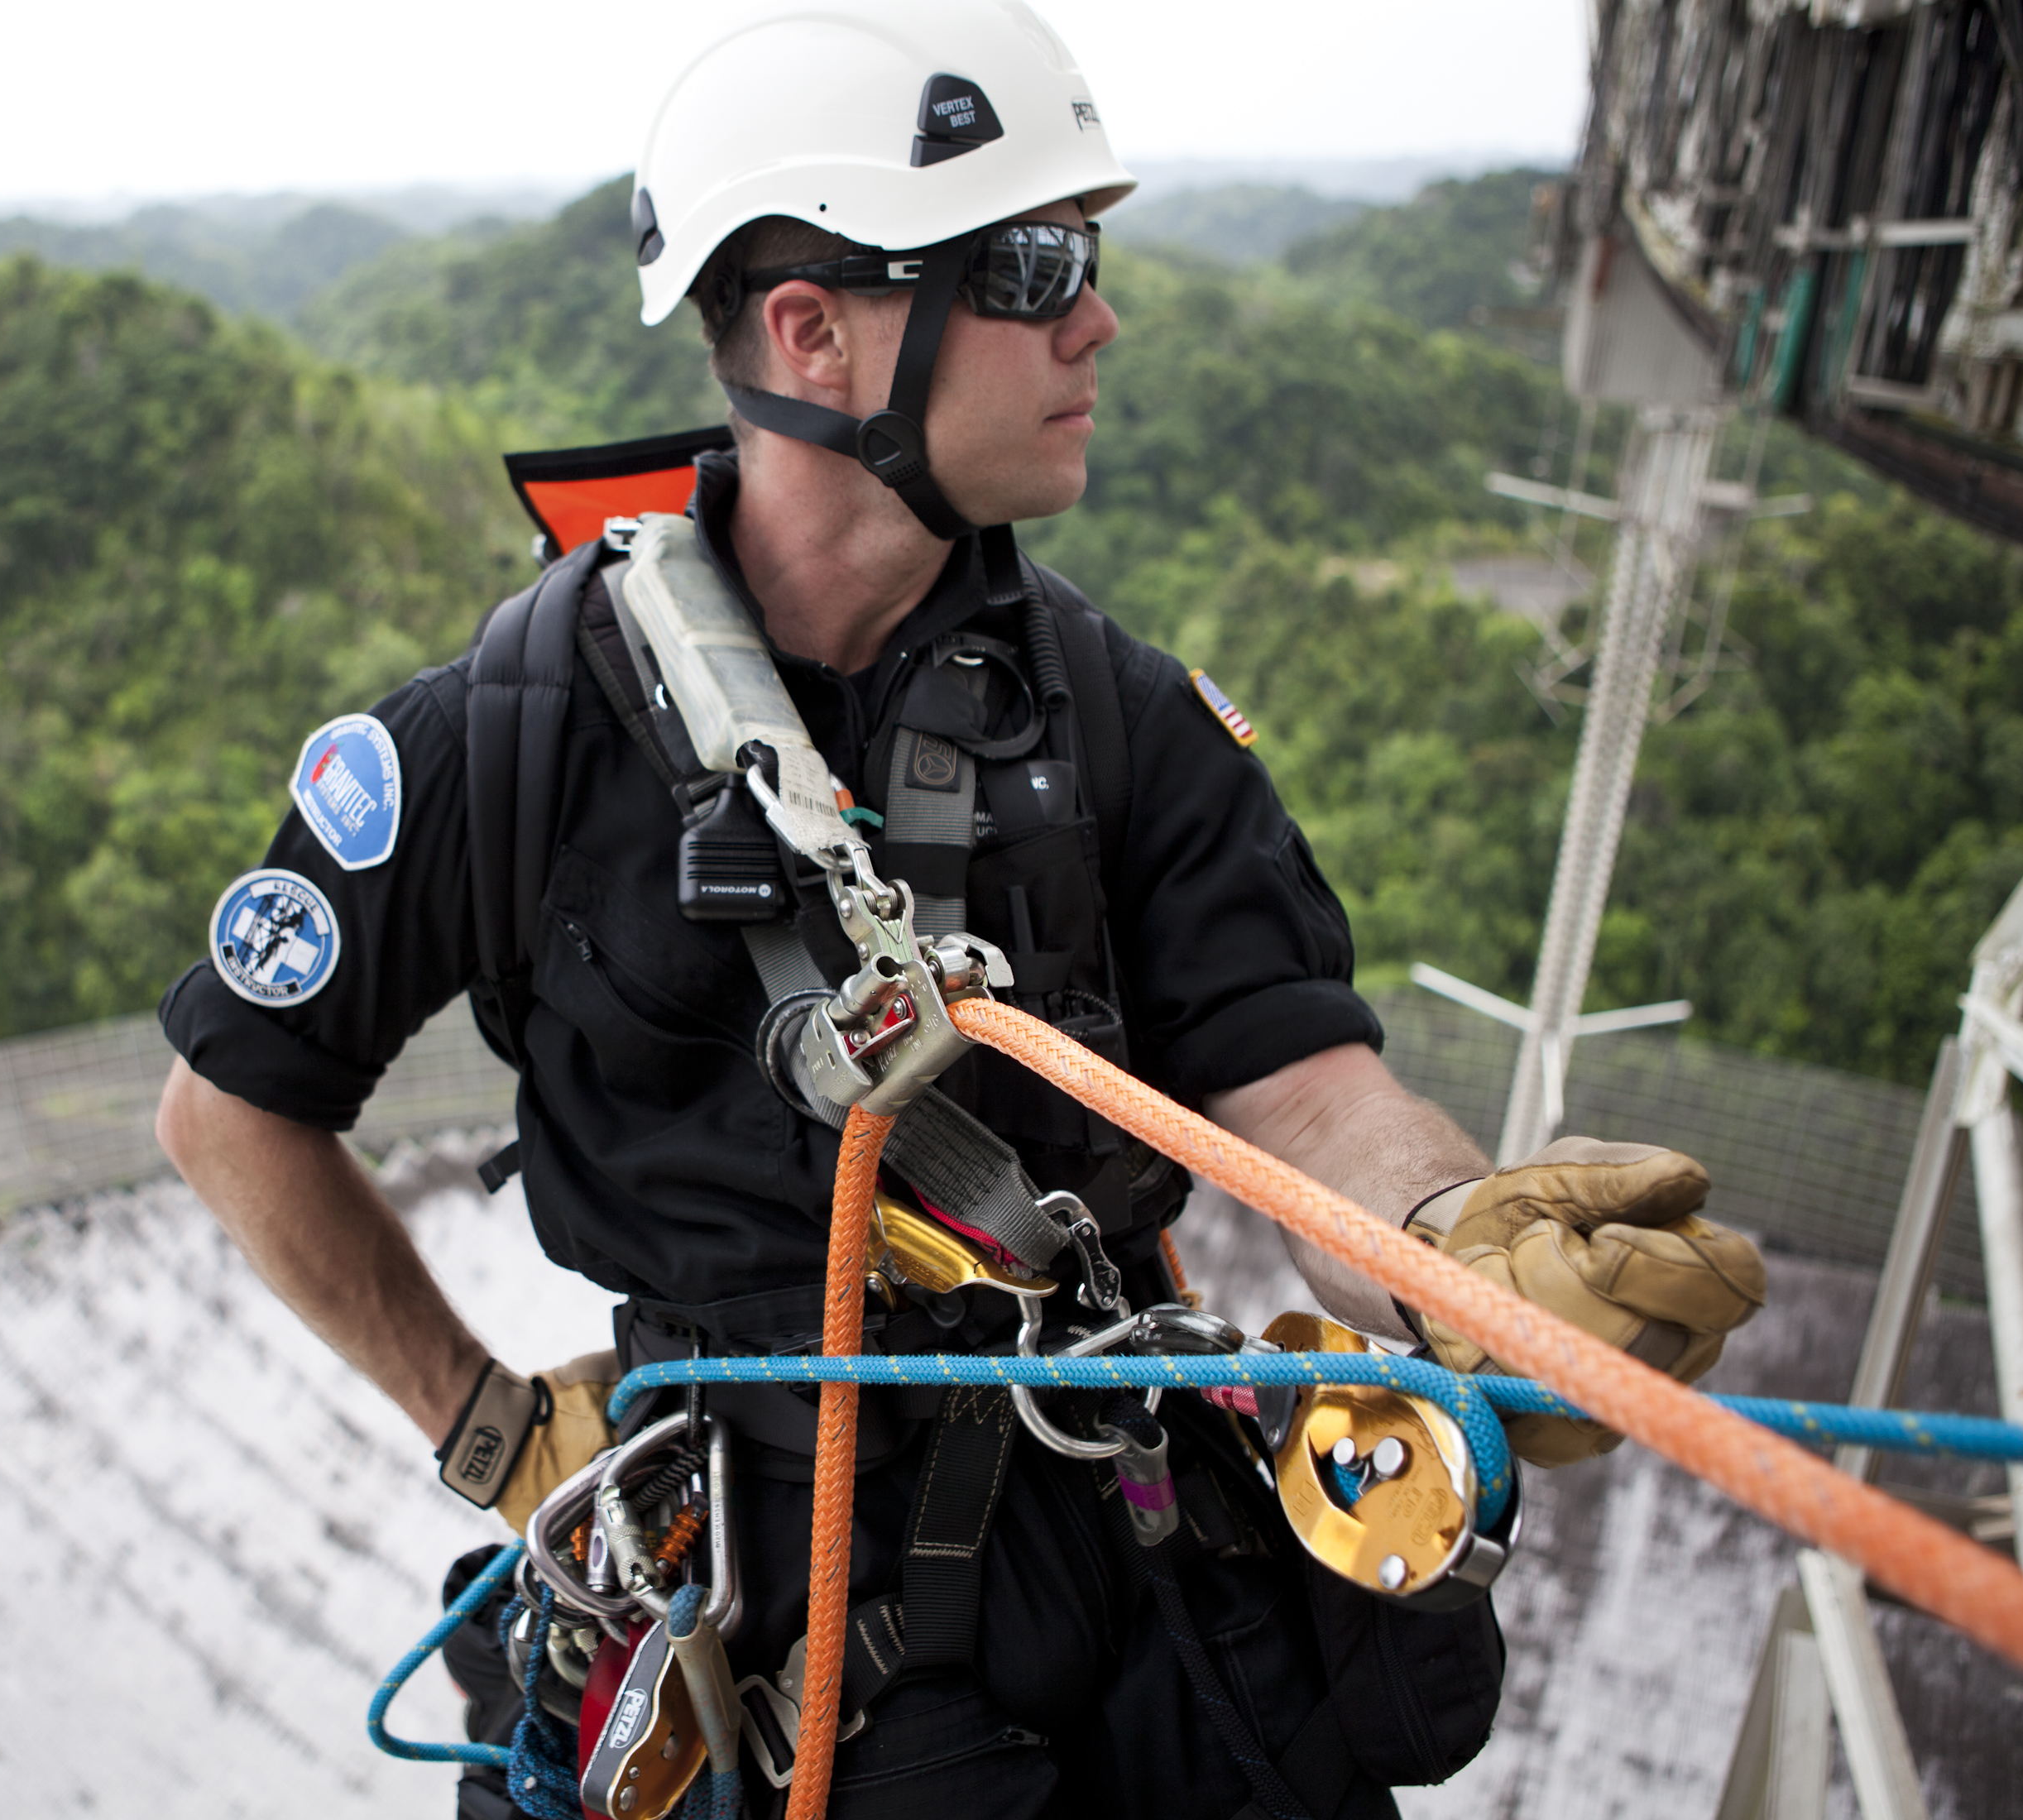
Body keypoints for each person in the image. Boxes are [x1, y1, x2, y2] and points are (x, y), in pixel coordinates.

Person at [154, 3, 1766, 1813]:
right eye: (1031, 263)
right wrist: (493, 1426)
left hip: (1120, 1530)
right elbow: (232, 1104)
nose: (1098, 315)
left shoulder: (1110, 714)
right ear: (812, 332)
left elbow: (1303, 1091)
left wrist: (1455, 1240)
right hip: (756, 1599)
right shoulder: (512, 735)